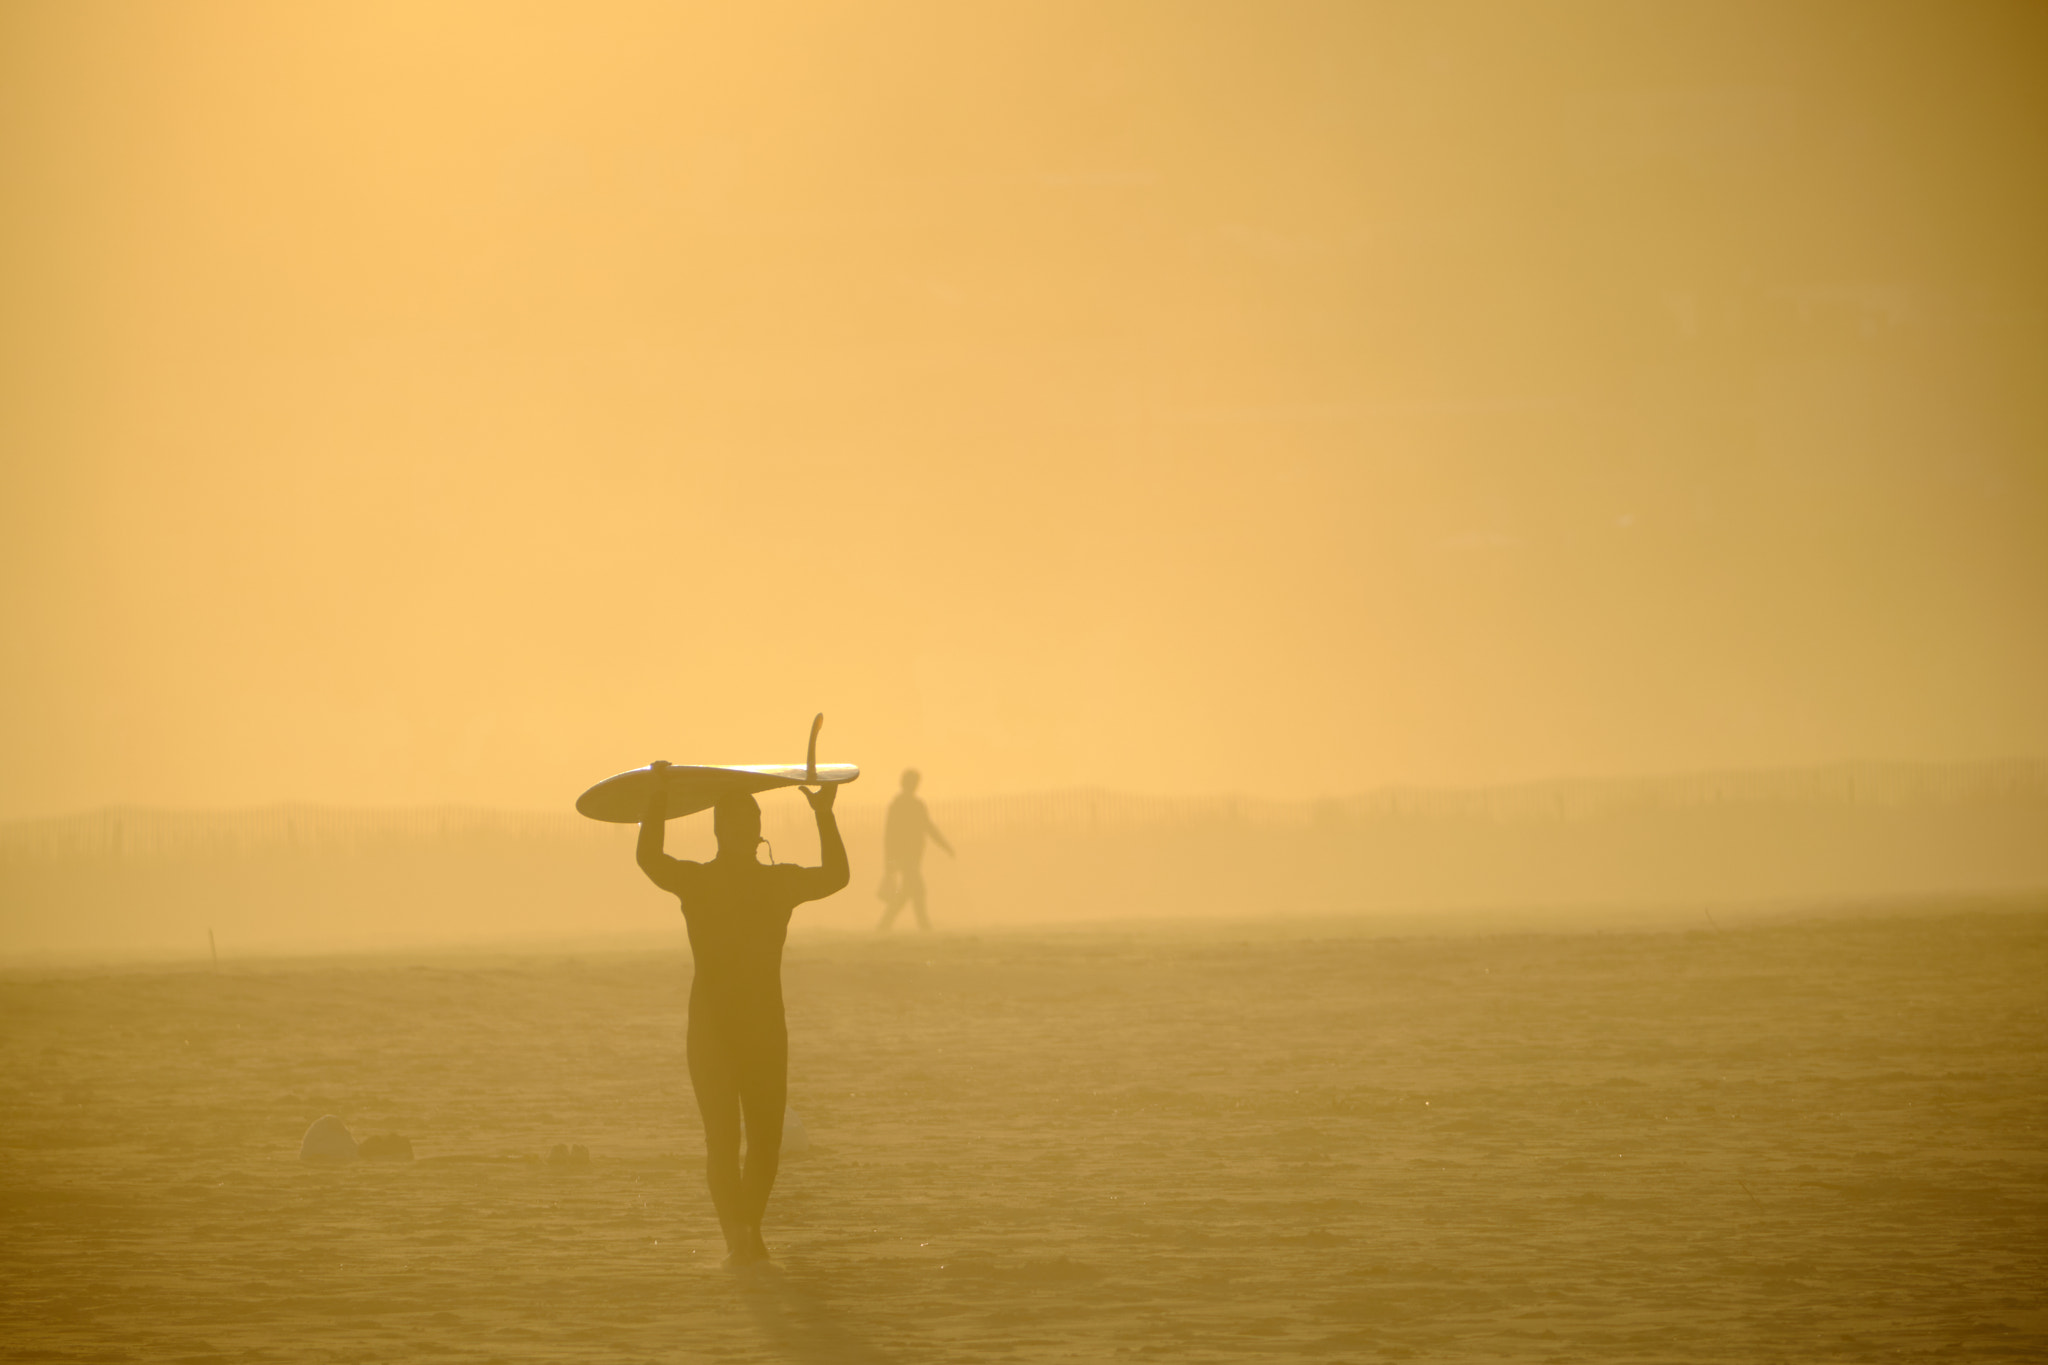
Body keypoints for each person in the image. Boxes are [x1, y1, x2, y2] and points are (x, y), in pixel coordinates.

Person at [636, 763, 848, 1266]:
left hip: (761, 1030)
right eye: (732, 824)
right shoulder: (700, 881)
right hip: (713, 1030)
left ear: (757, 832)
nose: (740, 831)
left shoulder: (770, 883)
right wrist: (658, 797)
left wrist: (824, 815)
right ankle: (741, 1236)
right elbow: (649, 858)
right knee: (724, 1141)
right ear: (719, 832)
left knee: (766, 1142)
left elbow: (837, 877)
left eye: (746, 824)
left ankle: (745, 1228)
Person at [876, 768, 953, 931]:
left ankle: (885, 925)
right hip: (906, 857)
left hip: (913, 856)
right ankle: (923, 926)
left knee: (908, 891)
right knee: (917, 890)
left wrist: (945, 846)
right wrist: (889, 862)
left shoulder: (913, 805)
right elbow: (890, 836)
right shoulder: (900, 806)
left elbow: (928, 827)